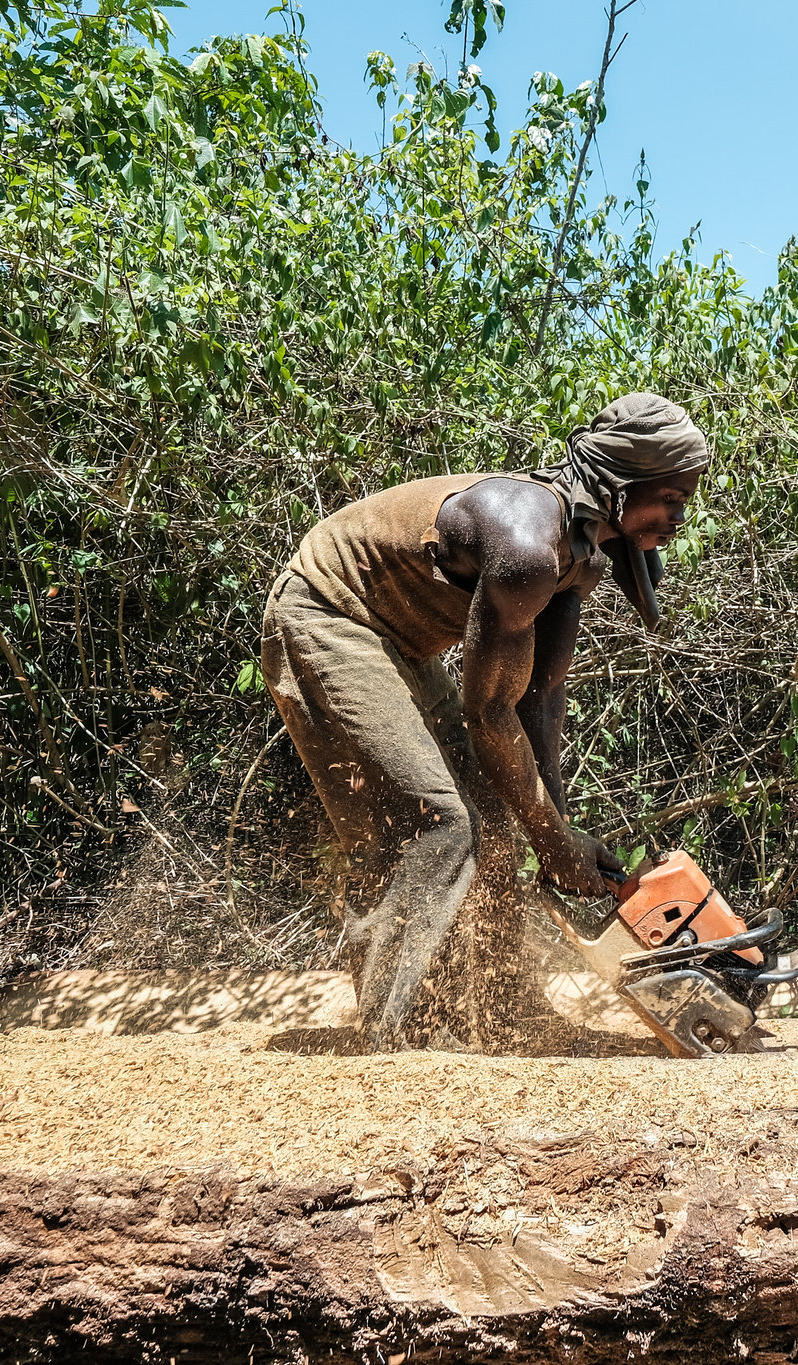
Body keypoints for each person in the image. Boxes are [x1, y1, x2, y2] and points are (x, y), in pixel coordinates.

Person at [260, 392, 709, 1049]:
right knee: (440, 819)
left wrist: (559, 829)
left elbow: (538, 698)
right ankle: (395, 1033)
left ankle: (505, 1012)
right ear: (620, 486)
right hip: (327, 613)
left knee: (498, 817)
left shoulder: (580, 554)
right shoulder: (527, 542)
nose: (679, 516)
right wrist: (552, 836)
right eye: (671, 498)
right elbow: (488, 709)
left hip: (398, 641)